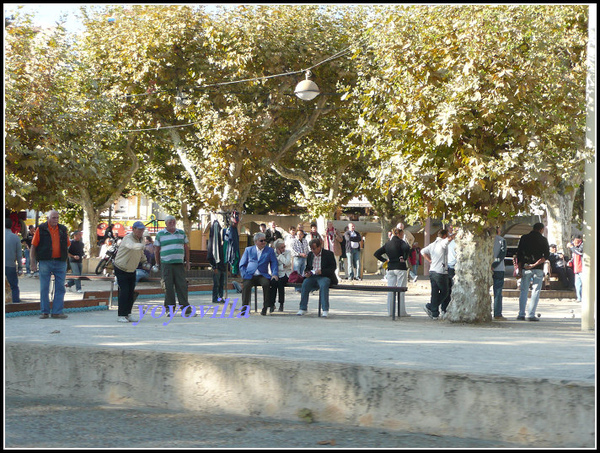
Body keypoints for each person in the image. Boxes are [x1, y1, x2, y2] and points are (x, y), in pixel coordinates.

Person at [30, 210, 71, 319]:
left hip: (60, 261)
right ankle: (44, 312)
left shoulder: (63, 229)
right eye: (53, 217)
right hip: (45, 261)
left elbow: (67, 245)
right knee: (44, 287)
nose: (56, 220)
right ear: (48, 218)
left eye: (57, 218)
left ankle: (57, 312)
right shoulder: (41, 229)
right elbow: (33, 246)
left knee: (60, 287)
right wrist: (32, 262)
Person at [154, 215, 191, 312]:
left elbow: (186, 248)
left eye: (173, 221)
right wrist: (157, 264)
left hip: (179, 263)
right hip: (166, 264)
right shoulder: (160, 234)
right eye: (170, 222)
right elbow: (156, 250)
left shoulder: (181, 233)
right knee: (168, 286)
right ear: (166, 223)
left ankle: (185, 308)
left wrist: (187, 262)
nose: (172, 223)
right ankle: (169, 308)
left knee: (182, 286)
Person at [113, 221, 148, 323]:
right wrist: (144, 246)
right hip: (121, 267)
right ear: (133, 229)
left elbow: (140, 253)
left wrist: (144, 261)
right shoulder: (127, 238)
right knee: (124, 291)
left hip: (132, 269)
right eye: (139, 229)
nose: (141, 232)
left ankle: (128, 314)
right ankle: (121, 315)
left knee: (130, 292)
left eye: (142, 230)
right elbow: (133, 246)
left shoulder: (141, 239)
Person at [374, 228, 411, 317]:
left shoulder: (388, 243)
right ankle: (401, 312)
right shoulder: (401, 242)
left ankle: (390, 311)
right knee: (401, 290)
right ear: (399, 234)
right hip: (400, 267)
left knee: (390, 290)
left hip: (390, 268)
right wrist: (404, 257)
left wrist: (385, 260)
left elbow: (376, 253)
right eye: (402, 235)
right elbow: (407, 248)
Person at [516, 222, 550, 321]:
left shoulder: (524, 238)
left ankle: (521, 314)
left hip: (525, 267)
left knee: (523, 291)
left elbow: (519, 254)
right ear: (541, 229)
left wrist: (520, 268)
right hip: (538, 269)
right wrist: (535, 265)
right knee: (535, 291)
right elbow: (545, 256)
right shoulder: (543, 240)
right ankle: (531, 314)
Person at [297, 238, 339, 317]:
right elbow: (308, 267)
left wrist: (322, 271)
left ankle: (325, 309)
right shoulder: (310, 255)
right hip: (313, 276)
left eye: (314, 248)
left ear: (320, 247)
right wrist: (307, 273)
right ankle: (303, 308)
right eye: (311, 249)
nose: (313, 251)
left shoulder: (328, 254)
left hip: (324, 276)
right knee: (305, 284)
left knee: (324, 285)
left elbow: (333, 268)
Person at [239, 232, 279, 315]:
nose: (264, 242)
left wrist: (274, 274)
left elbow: (274, 263)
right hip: (250, 275)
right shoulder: (248, 250)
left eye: (265, 240)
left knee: (266, 284)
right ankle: (244, 308)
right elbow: (242, 264)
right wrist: (244, 275)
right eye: (261, 240)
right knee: (246, 286)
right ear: (256, 241)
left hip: (262, 275)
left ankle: (265, 307)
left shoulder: (269, 251)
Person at [421, 229, 454, 320]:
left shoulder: (432, 245)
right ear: (444, 236)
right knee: (445, 292)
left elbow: (423, 251)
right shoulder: (442, 243)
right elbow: (449, 239)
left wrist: (429, 260)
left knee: (435, 292)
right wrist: (457, 233)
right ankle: (431, 306)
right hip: (441, 272)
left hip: (432, 271)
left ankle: (434, 313)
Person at [270, 238, 292, 312]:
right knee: (273, 283)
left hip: (286, 274)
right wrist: (282, 266)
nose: (284, 249)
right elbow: (273, 265)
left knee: (280, 283)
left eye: (284, 246)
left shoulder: (288, 252)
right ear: (277, 248)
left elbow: (287, 263)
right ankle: (272, 304)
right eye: (282, 247)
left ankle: (281, 303)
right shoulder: (273, 253)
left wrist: (280, 255)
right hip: (276, 273)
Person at [5, 217, 23, 303]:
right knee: (14, 286)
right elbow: (19, 255)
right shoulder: (15, 238)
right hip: (10, 265)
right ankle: (16, 304)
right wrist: (20, 268)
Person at [491, 226, 507, 320]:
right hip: (499, 269)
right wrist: (495, 265)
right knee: (497, 291)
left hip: (487, 268)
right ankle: (497, 313)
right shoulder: (501, 240)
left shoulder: (486, 240)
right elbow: (502, 254)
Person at [442, 225, 457, 314]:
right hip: (448, 266)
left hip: (455, 266)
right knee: (447, 289)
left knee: (453, 289)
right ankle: (444, 308)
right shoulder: (445, 240)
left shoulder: (457, 240)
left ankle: (451, 308)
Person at [567, 235, 583, 302]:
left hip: (582, 268)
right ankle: (579, 298)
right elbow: (574, 256)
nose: (574, 243)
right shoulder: (574, 247)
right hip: (576, 269)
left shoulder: (582, 245)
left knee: (583, 284)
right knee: (577, 284)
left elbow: (579, 252)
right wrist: (570, 262)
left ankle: (583, 297)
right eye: (574, 241)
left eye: (576, 241)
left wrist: (571, 247)